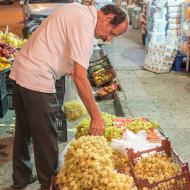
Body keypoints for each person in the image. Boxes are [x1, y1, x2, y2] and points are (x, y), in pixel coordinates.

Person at [9, 2, 128, 190]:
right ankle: (49, 184)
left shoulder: (77, 10)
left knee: (24, 131)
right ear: (109, 18)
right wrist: (96, 117)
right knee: (46, 136)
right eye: (112, 33)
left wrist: (70, 67)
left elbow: (60, 43)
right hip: (36, 78)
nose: (108, 38)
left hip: (21, 70)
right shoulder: (85, 23)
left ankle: (21, 178)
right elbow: (81, 78)